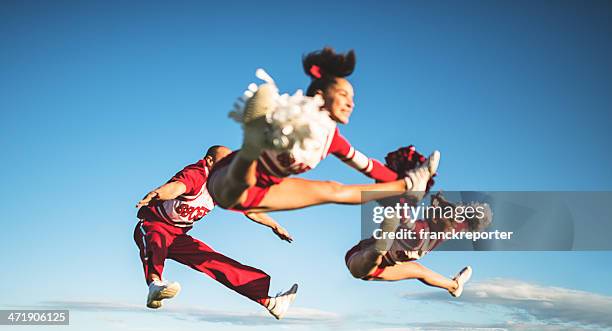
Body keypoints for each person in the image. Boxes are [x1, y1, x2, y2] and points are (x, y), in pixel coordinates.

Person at [208, 47, 439, 213]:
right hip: (227, 179)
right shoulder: (289, 110)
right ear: (320, 95)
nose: (351, 103)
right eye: (343, 95)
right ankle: (252, 144)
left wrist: (403, 177)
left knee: (333, 190)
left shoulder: (333, 139)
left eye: (353, 97)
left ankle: (409, 185)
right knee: (240, 184)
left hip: (268, 189)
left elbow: (369, 168)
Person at [133, 145, 297, 320]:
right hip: (153, 224)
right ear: (210, 161)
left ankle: (270, 303)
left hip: (178, 236)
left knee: (214, 261)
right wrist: (158, 193)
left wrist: (274, 225)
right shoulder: (197, 173)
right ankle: (154, 285)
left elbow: (250, 210)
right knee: (156, 239)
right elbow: (177, 187)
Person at [345, 192, 492, 297]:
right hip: (387, 267)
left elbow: (406, 218)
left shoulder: (421, 231)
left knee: (369, 257)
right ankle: (455, 286)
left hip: (361, 261)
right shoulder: (441, 233)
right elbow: (453, 217)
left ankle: (379, 249)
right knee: (418, 270)